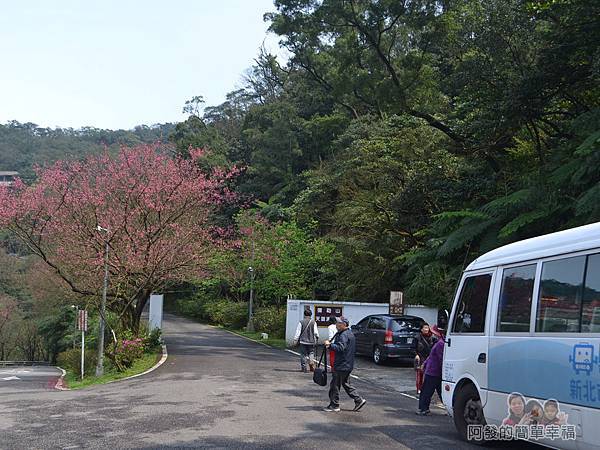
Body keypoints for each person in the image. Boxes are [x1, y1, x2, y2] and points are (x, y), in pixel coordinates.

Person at [323, 316, 367, 412]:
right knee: (345, 383)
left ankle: (334, 405)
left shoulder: (344, 335)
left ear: (344, 325)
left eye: (339, 323)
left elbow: (340, 347)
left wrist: (329, 345)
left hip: (341, 364)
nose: (337, 325)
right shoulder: (349, 333)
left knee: (334, 385)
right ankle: (358, 400)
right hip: (347, 364)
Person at [416, 325, 444, 415]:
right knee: (440, 392)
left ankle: (423, 409)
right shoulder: (439, 343)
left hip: (434, 371)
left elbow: (441, 358)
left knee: (426, 391)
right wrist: (424, 364)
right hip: (434, 370)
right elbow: (431, 356)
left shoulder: (440, 343)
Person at [414, 323, 436, 394]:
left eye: (427, 328)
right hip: (421, 357)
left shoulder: (433, 338)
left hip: (429, 358)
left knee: (428, 374)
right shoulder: (417, 338)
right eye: (425, 328)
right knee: (420, 374)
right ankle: (419, 388)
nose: (426, 329)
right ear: (421, 329)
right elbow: (413, 348)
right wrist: (416, 355)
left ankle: (427, 389)